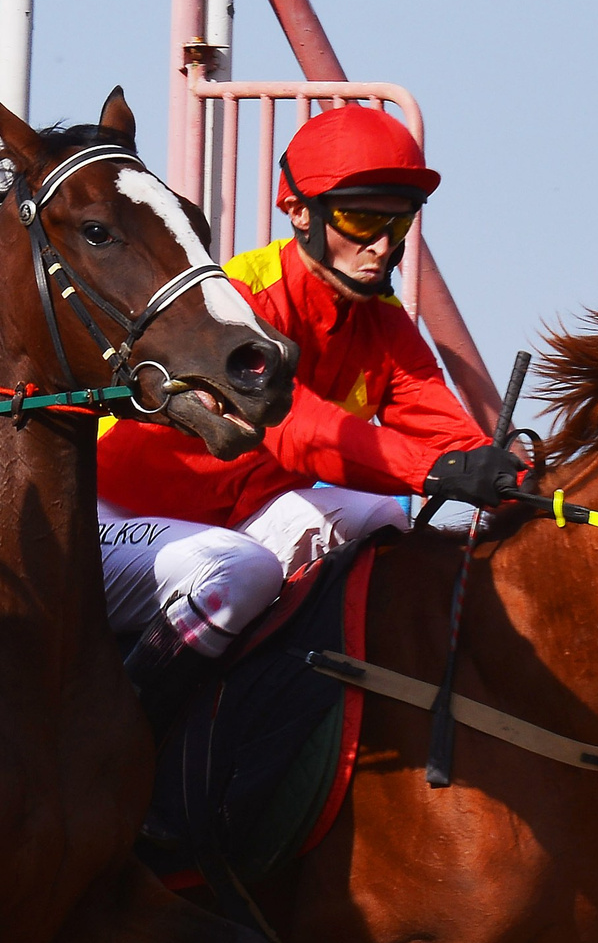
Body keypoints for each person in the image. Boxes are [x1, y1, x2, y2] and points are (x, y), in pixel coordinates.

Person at [92, 102, 517, 706]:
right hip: (111, 519)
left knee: (382, 520)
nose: (381, 247)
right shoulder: (239, 297)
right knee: (243, 572)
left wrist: (517, 477)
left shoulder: (383, 321)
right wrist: (432, 472)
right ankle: (125, 729)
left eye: (398, 224)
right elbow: (297, 429)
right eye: (360, 221)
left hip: (227, 524)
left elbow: (441, 425)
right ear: (297, 211)